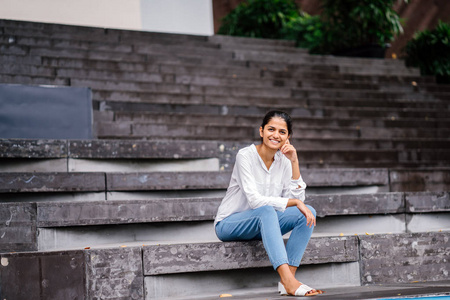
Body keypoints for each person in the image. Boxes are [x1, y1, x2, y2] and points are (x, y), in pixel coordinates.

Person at [214, 110, 324, 297]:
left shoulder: (285, 160)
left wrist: (294, 161)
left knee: (307, 213)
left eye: (282, 132)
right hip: (230, 224)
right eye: (271, 129)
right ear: (261, 131)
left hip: (265, 222)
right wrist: (295, 201)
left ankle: (286, 281)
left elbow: (299, 201)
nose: (276, 135)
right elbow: (255, 201)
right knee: (266, 210)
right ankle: (289, 281)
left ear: (288, 137)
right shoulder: (245, 156)